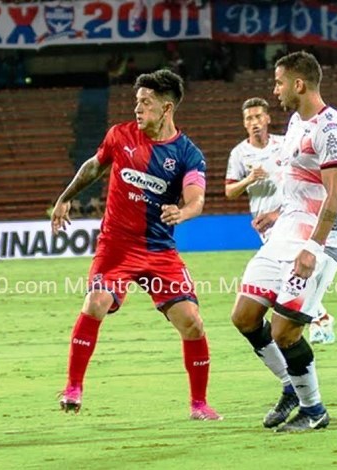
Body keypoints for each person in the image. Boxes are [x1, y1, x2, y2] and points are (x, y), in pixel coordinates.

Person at [50, 70, 220, 421]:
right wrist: (65, 197)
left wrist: (183, 212)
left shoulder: (188, 154)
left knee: (192, 323)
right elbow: (93, 167)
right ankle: (73, 387)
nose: (137, 109)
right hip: (116, 245)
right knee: (96, 302)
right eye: (136, 101)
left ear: (167, 107)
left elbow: (197, 198)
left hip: (159, 250)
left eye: (146, 103)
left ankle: (199, 404)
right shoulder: (120, 135)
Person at [230, 51, 337, 432]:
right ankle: (289, 387)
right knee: (245, 316)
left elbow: (335, 195)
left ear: (299, 84)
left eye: (279, 82)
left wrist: (312, 248)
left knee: (285, 331)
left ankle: (314, 410)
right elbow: (302, 185)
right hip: (284, 232)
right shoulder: (298, 121)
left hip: (318, 240)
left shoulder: (329, 130)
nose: (275, 89)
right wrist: (277, 215)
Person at [224, 97, 335, 344]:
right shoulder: (240, 154)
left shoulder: (285, 144)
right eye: (249, 118)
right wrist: (249, 179)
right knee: (286, 276)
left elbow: (302, 180)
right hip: (264, 225)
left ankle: (319, 322)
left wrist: (278, 213)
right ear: (244, 123)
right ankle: (319, 318)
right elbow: (230, 191)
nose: (254, 122)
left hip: (290, 221)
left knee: (290, 274)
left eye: (258, 116)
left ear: (268, 118)